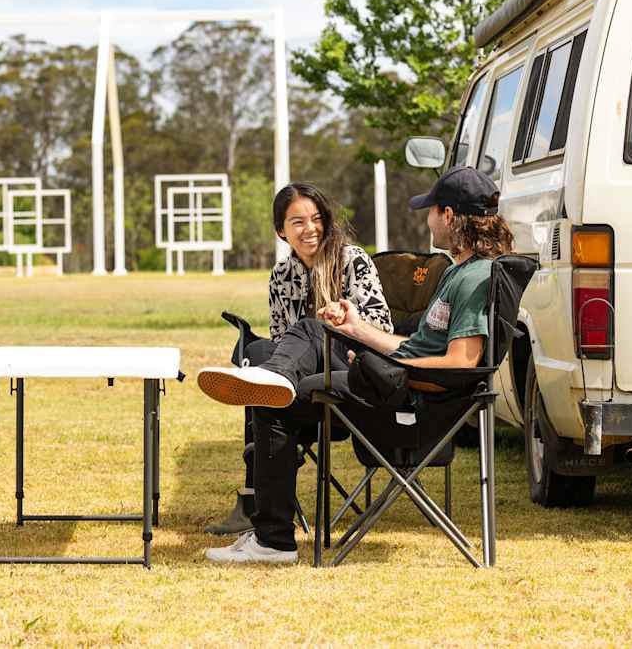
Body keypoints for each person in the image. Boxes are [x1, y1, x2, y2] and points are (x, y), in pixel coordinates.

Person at [196, 166, 513, 564]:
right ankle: (271, 538)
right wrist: (358, 329)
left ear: (448, 216)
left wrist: (382, 359)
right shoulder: (461, 272)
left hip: (407, 399)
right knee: (272, 397)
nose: (426, 218)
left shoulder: (474, 278)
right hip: (396, 381)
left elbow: (461, 363)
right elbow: (415, 345)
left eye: (430, 209)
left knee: (307, 337)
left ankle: (272, 536)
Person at [203, 182, 392, 536]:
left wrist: (346, 320)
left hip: (351, 373)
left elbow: (382, 329)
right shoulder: (281, 277)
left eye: (317, 219)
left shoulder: (353, 260)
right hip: (302, 387)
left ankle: (254, 496)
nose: (310, 229)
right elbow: (280, 340)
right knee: (258, 353)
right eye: (298, 222)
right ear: (281, 231)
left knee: (297, 338)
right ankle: (257, 497)